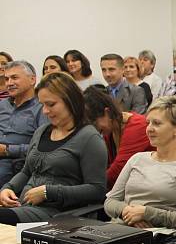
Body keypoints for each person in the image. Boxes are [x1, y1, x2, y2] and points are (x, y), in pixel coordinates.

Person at [0, 72, 106, 224]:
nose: (45, 111)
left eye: (51, 104)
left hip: (58, 213)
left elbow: (97, 190)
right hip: (25, 205)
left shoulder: (89, 138)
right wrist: (7, 188)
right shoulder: (42, 131)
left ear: (71, 101)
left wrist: (48, 192)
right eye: (42, 104)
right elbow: (27, 171)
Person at [104, 97, 176, 230]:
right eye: (148, 123)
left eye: (157, 123)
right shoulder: (137, 159)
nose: (149, 129)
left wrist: (146, 213)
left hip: (156, 237)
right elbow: (110, 202)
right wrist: (129, 213)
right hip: (121, 228)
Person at [84, 86, 153, 189]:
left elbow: (119, 170)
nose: (94, 130)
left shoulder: (137, 126)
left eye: (94, 123)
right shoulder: (111, 130)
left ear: (107, 112)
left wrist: (89, 185)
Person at [0, 61, 48, 186]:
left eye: (14, 78)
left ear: (32, 80)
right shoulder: (2, 105)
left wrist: (7, 150)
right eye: (6, 79)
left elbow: (44, 147)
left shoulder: (42, 108)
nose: (9, 83)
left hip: (16, 164)